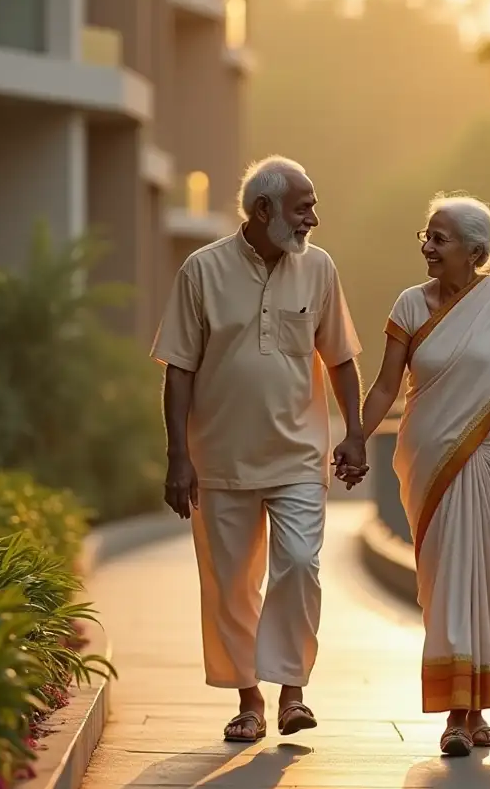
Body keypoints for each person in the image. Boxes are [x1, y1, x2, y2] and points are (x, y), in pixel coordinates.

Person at [150, 156, 367, 743]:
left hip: (298, 453)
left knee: (299, 564)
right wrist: (178, 455)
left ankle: (291, 690)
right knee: (229, 583)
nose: (313, 220)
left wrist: (354, 432)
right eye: (303, 208)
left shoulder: (318, 268)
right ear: (264, 210)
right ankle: (249, 699)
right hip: (218, 457)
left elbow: (341, 357)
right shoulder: (202, 270)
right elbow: (178, 370)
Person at [361, 194, 490, 757]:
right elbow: (385, 386)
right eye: (425, 236)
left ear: (475, 253)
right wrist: (357, 434)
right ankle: (456, 714)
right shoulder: (409, 305)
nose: (427, 247)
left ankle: (476, 711)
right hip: (430, 460)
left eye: (440, 239)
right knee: (445, 579)